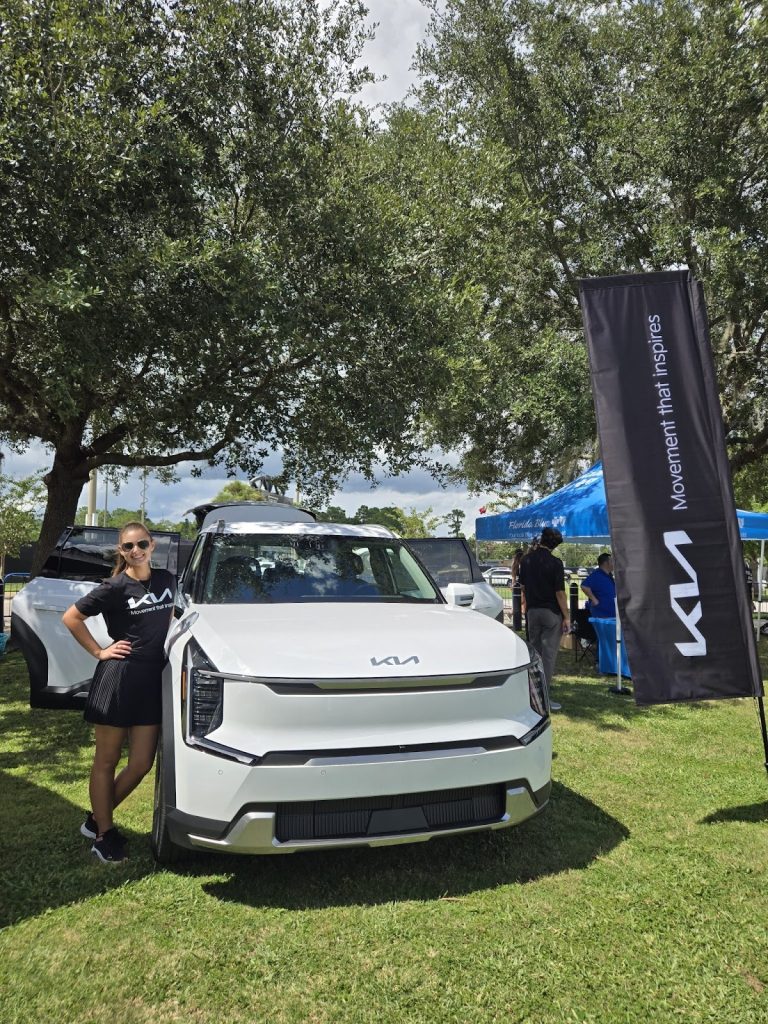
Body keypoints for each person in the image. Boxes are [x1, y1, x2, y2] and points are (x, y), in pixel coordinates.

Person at [62, 522, 176, 863]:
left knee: (141, 762)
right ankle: (104, 834)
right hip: (119, 677)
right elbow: (71, 618)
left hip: (151, 680)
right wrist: (99, 652)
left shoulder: (167, 580)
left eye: (142, 544)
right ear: (121, 551)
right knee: (107, 760)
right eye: (128, 547)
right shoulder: (114, 586)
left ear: (152, 545)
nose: (136, 550)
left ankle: (98, 817)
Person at [518, 527, 569, 711]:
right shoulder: (555, 563)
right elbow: (560, 593)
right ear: (554, 545)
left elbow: (522, 586)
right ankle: (544, 699)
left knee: (533, 654)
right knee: (548, 657)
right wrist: (567, 617)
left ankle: (530, 693)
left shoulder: (527, 560)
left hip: (532, 612)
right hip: (550, 613)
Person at [582, 553, 616, 618]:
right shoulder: (596, 574)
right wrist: (594, 600)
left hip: (610, 614)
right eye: (612, 561)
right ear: (606, 563)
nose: (614, 563)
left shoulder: (609, 575)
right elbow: (584, 586)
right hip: (601, 614)